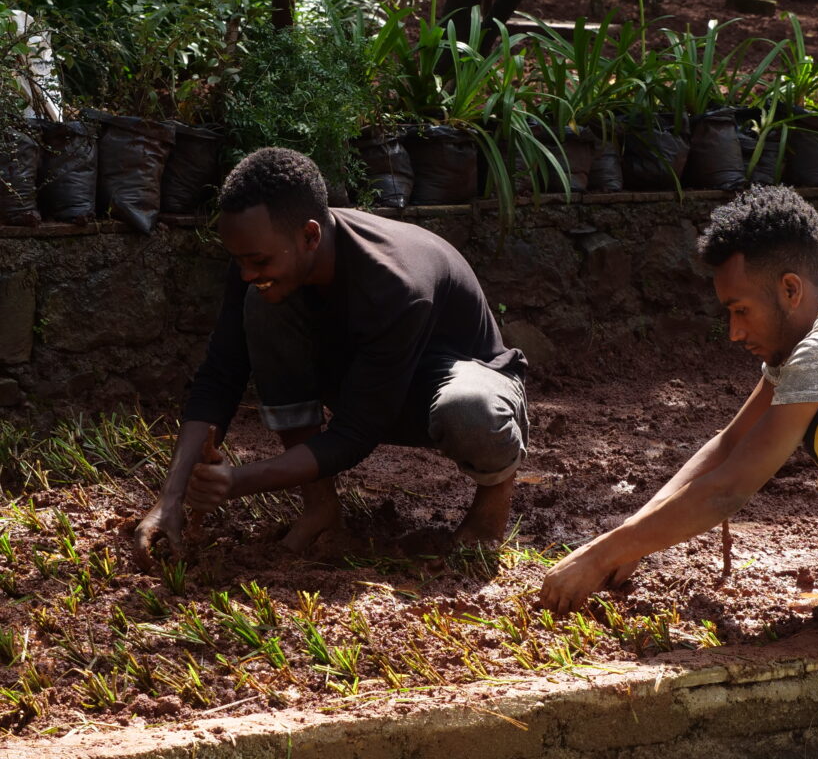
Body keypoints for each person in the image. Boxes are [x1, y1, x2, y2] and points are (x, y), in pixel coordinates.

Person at [540, 184, 818, 636]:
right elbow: (730, 443)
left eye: (741, 310)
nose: (734, 333)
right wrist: (633, 536)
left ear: (790, 289)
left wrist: (598, 555)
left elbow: (729, 489)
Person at [133, 147, 527, 567]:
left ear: (310, 236)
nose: (246, 272)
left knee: (469, 410)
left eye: (257, 260)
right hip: (366, 377)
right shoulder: (264, 256)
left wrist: (236, 481)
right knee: (261, 300)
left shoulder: (396, 284)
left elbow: (355, 435)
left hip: (456, 384)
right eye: (239, 261)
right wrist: (169, 499)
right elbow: (221, 375)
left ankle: (491, 506)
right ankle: (320, 507)